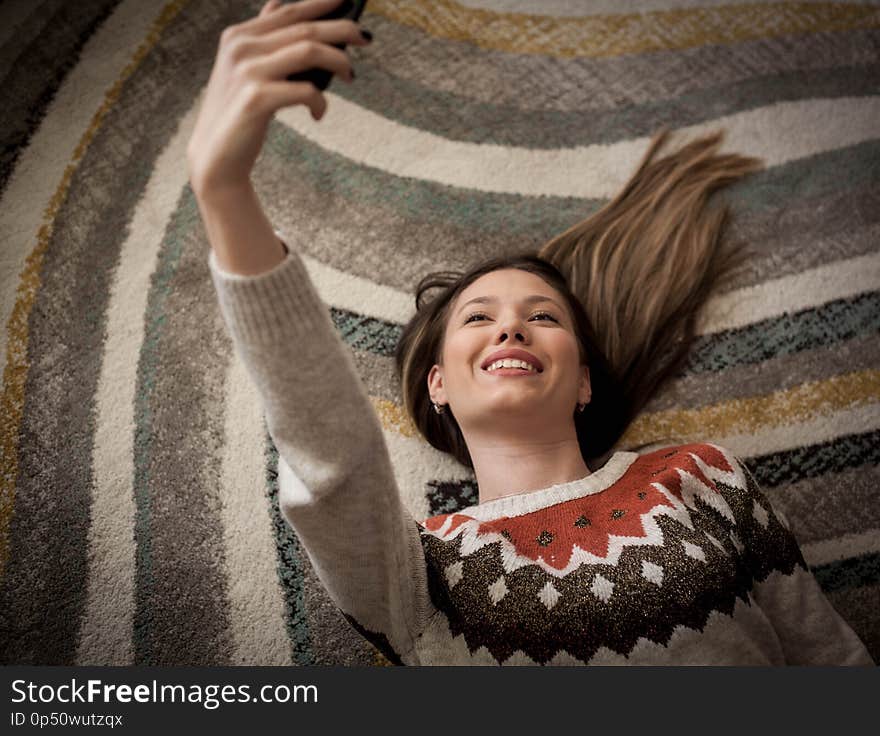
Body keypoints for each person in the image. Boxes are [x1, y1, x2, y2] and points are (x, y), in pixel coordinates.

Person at [187, 0, 874, 665]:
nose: (511, 326)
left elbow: (832, 659)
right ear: (438, 386)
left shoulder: (699, 476)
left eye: (542, 317)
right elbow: (333, 462)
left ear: (582, 381)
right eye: (478, 318)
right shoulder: (416, 574)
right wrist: (222, 190)